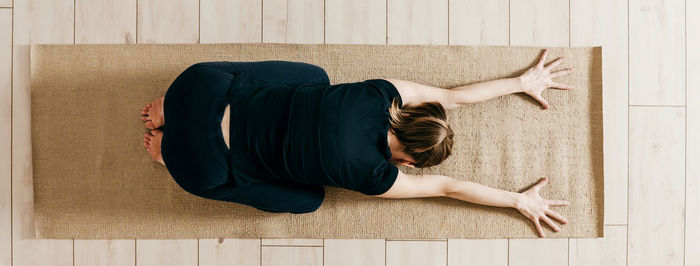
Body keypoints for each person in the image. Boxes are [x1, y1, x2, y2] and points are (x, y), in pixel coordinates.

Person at [140, 49, 572, 238]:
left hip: (200, 87)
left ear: (415, 111)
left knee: (314, 79)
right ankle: (169, 152)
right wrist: (517, 201)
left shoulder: (382, 93)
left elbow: (455, 96)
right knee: (310, 201)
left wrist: (521, 81)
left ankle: (171, 110)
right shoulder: (378, 175)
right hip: (201, 165)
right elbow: (448, 187)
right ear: (409, 162)